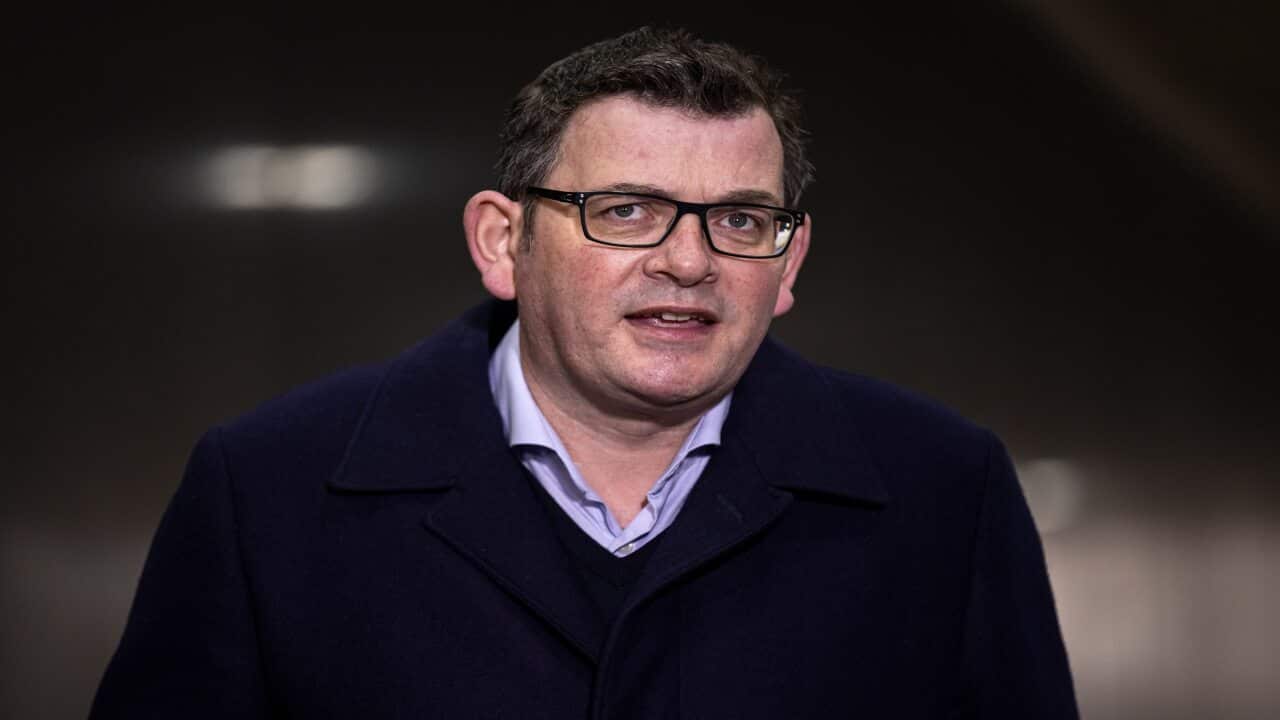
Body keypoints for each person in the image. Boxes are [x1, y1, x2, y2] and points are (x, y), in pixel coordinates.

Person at [90, 25, 1078, 719]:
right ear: (500, 240)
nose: (687, 262)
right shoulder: (267, 489)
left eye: (738, 220)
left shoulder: (943, 490)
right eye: (626, 210)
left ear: (788, 265)